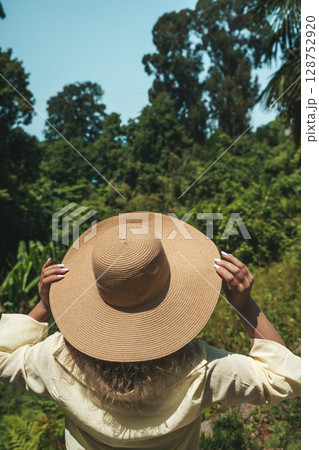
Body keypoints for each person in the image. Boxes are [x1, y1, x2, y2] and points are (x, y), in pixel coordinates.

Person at [0, 212, 300, 449]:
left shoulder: (56, 359)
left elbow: (3, 356)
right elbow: (286, 377)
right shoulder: (199, 369)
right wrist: (246, 307)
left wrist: (44, 306)